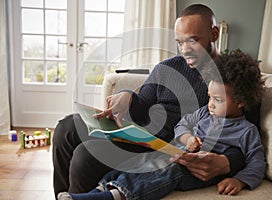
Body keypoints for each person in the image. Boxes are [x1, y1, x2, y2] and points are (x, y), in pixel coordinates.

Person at [52, 4, 260, 198]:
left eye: (192, 40)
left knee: (85, 156)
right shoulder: (168, 67)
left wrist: (228, 163)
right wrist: (127, 96)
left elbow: (247, 133)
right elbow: (142, 105)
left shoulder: (233, 80)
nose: (184, 49)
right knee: (66, 128)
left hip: (167, 150)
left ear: (214, 34)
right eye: (180, 42)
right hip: (142, 134)